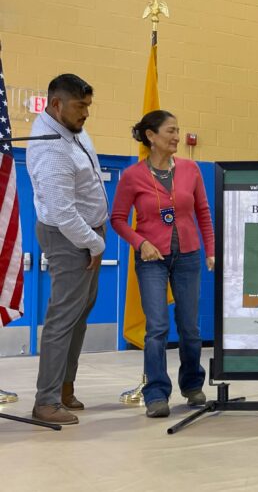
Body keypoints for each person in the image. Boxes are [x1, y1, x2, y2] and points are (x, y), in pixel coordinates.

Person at [111, 110, 215, 418]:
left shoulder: (191, 169)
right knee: (156, 327)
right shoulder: (132, 176)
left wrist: (210, 250)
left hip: (188, 257)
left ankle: (193, 384)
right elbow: (117, 219)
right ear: (151, 136)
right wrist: (139, 242)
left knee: (190, 327)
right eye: (170, 131)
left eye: (178, 131)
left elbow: (203, 213)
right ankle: (156, 392)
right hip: (151, 260)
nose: (176, 137)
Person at [28, 74, 108, 425]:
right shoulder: (51, 149)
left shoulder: (71, 129)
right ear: (56, 104)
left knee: (78, 315)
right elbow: (61, 212)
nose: (86, 114)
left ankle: (64, 387)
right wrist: (94, 243)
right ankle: (45, 401)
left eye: (88, 106)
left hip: (87, 235)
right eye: (80, 106)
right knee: (62, 318)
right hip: (70, 237)